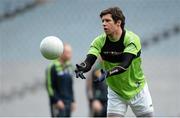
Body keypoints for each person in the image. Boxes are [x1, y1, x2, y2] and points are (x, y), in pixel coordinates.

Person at [75, 7, 154, 117]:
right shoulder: (99, 41)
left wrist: (107, 73)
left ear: (118, 23)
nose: (104, 24)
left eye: (107, 21)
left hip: (137, 90)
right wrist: (83, 67)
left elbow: (124, 65)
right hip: (115, 92)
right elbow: (89, 61)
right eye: (102, 21)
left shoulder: (131, 39)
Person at [46, 43, 76, 117]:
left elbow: (70, 85)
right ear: (61, 53)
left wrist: (73, 100)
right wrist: (56, 100)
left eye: (70, 52)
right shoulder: (52, 67)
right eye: (68, 53)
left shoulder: (70, 66)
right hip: (58, 103)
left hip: (68, 102)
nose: (70, 55)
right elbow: (49, 87)